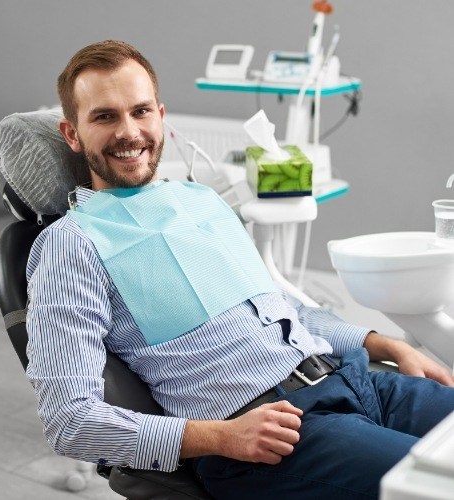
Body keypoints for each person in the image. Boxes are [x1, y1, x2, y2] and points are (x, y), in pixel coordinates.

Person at [26, 40, 454, 499]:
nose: (129, 132)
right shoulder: (70, 245)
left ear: (161, 115)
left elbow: (279, 306)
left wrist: (385, 344)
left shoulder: (200, 202)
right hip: (267, 435)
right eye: (105, 116)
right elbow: (69, 419)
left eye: (141, 111)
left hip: (352, 379)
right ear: (72, 134)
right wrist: (220, 438)